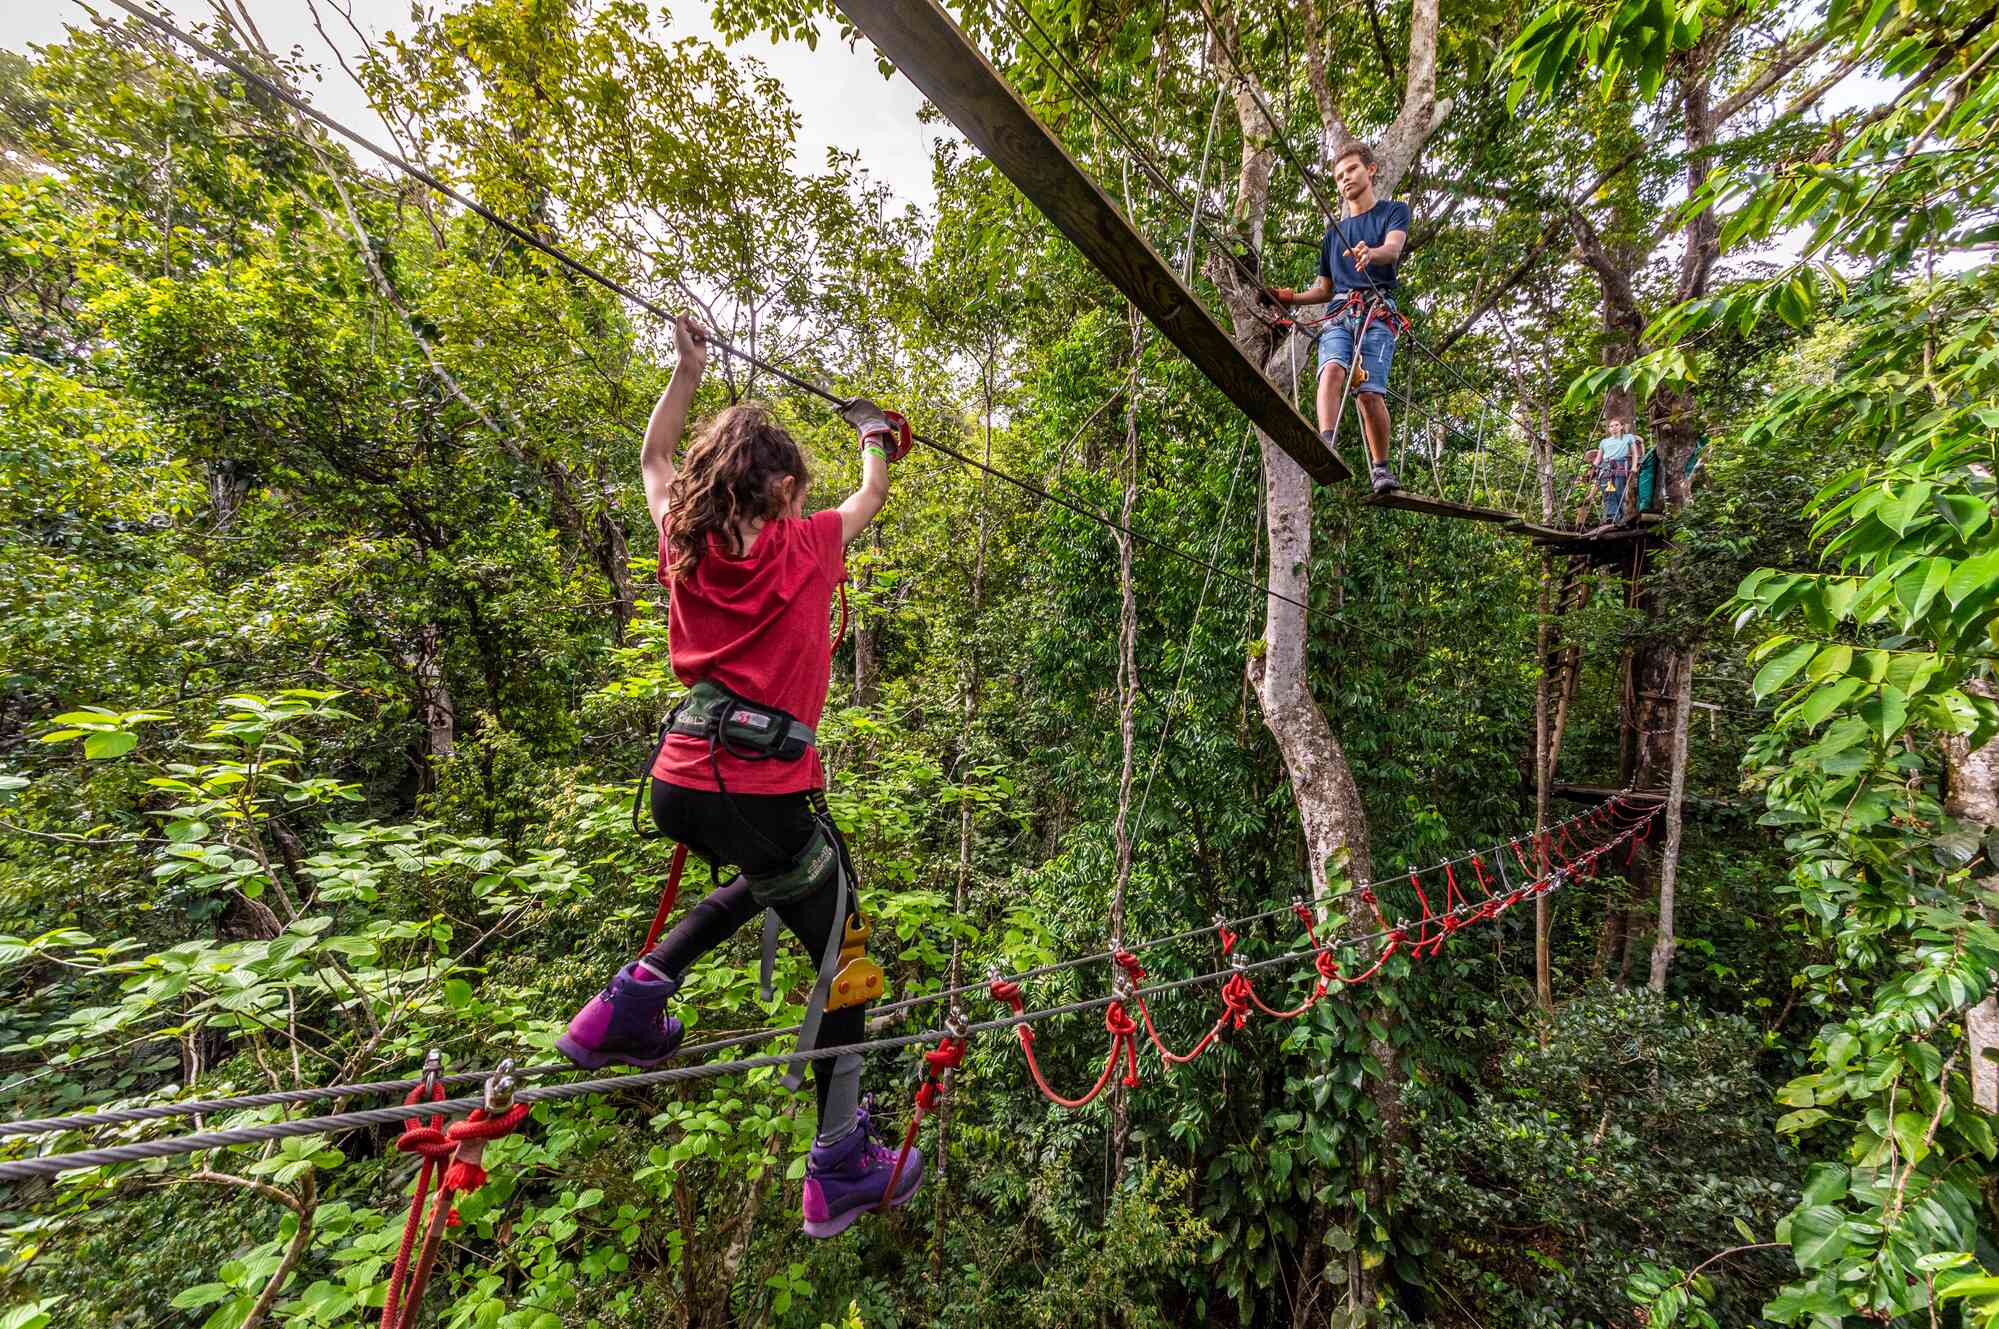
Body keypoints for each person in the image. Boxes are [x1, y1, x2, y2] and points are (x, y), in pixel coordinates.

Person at [555, 314, 918, 1238]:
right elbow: (871, 492)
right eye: (795, 491)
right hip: (760, 782)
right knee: (848, 960)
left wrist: (687, 371)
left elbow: (652, 454)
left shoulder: (685, 536)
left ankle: (626, 1006)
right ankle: (839, 1161)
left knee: (773, 882)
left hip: (684, 777)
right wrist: (878, 438)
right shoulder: (804, 548)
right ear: (785, 487)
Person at [1269, 141, 1412, 495]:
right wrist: (1288, 298)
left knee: (1368, 394)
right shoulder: (1333, 233)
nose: (1344, 179)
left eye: (1351, 170)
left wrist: (1372, 254)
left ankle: (1380, 469)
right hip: (1340, 312)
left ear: (1370, 170)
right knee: (1332, 369)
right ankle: (1325, 443)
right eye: (1338, 176)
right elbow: (1324, 288)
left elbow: (1392, 250)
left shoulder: (1393, 211)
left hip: (1377, 314)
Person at [1591, 413, 1640, 525]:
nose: (1614, 428)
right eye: (1611, 426)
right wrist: (1593, 468)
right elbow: (1599, 458)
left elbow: (1634, 453)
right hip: (1605, 466)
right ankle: (1612, 516)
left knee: (1619, 491)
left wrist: (1634, 466)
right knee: (1608, 492)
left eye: (1616, 425)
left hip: (1620, 465)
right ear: (1608, 429)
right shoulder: (1604, 442)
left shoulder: (1628, 438)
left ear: (1621, 426)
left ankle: (1620, 518)